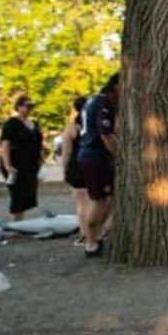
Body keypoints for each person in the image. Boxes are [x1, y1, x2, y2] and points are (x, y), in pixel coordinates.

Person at [77, 74, 120, 257]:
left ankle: (96, 236)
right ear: (117, 86)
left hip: (90, 154)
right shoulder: (104, 103)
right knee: (98, 201)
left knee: (105, 198)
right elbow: (106, 135)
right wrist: (120, 156)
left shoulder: (91, 100)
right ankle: (91, 243)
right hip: (95, 156)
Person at [0, 95, 43, 221]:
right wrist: (8, 165)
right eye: (27, 106)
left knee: (27, 194)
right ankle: (15, 223)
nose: (30, 109)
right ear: (19, 107)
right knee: (17, 194)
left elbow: (38, 143)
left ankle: (20, 222)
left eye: (32, 106)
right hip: (15, 163)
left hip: (31, 164)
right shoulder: (11, 123)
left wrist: (40, 159)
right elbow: (5, 144)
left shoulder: (34, 123)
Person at [61, 97, 90, 244]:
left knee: (81, 203)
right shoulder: (92, 125)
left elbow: (66, 151)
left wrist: (64, 169)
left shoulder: (71, 128)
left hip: (76, 166)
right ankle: (97, 232)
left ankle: (84, 233)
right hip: (92, 164)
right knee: (96, 202)